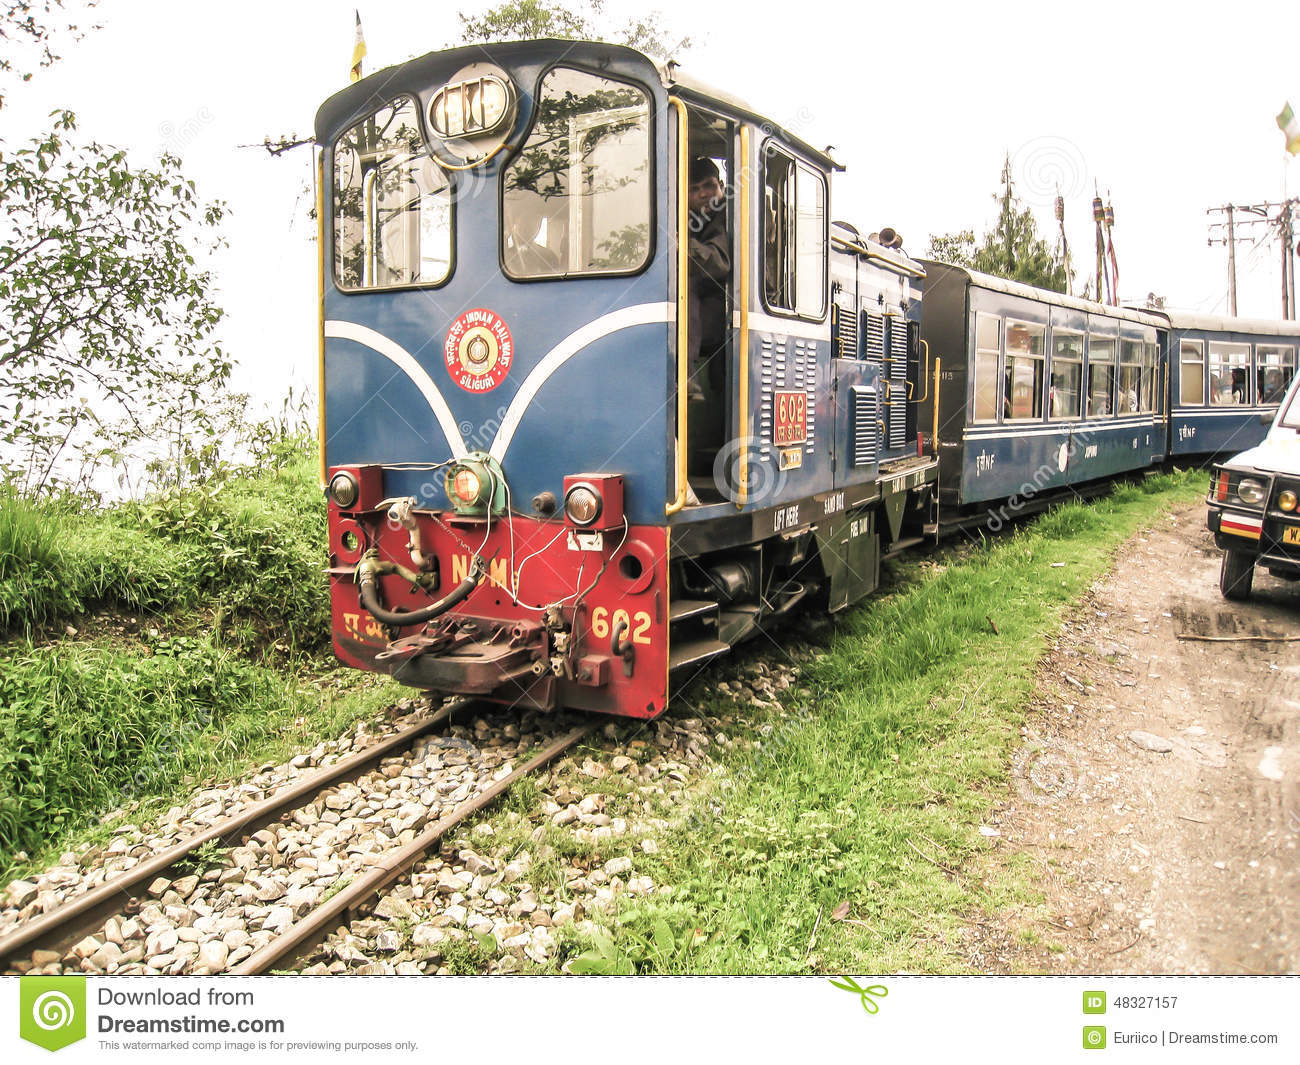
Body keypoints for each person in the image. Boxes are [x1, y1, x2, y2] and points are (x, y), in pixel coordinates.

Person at [686, 157, 730, 404]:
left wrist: (683, 246)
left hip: (726, 311)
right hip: (702, 318)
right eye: (694, 189)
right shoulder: (683, 217)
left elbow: (719, 262)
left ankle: (684, 375)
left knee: (686, 287)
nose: (703, 194)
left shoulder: (730, 215)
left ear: (721, 186)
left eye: (709, 186)